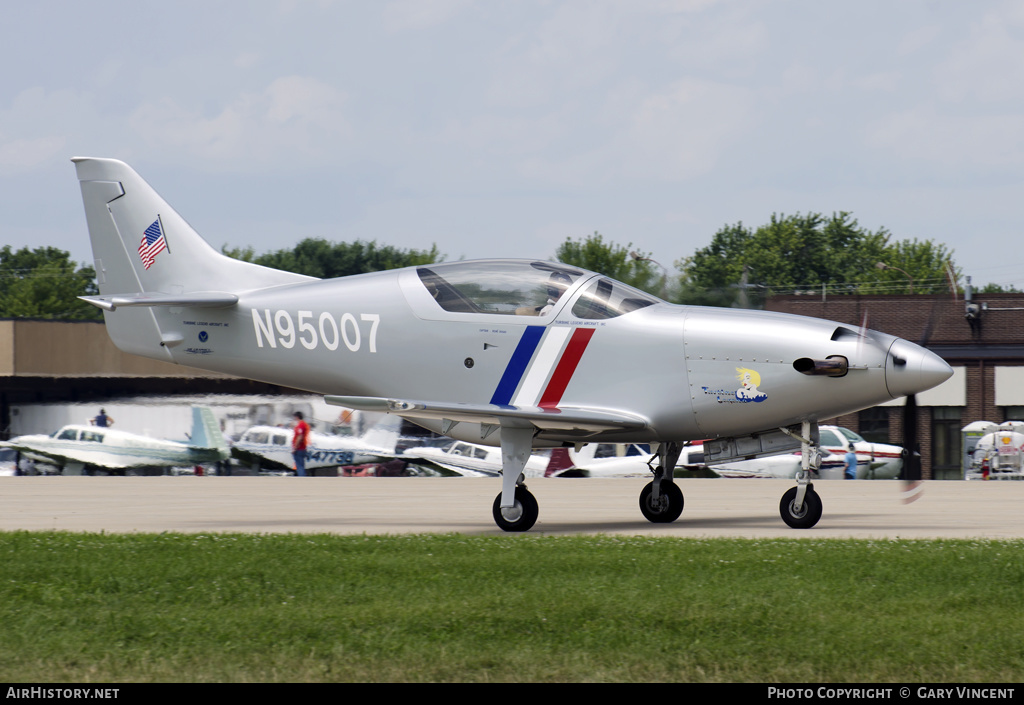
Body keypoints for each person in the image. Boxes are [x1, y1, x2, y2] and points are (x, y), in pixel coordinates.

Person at [291, 411, 310, 477]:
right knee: (301, 464)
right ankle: (302, 476)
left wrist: (295, 448)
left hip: (299, 449)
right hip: (302, 448)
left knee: (299, 465)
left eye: (294, 417)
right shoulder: (304, 424)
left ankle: (301, 478)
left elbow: (299, 437)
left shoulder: (300, 425)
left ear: (297, 417)